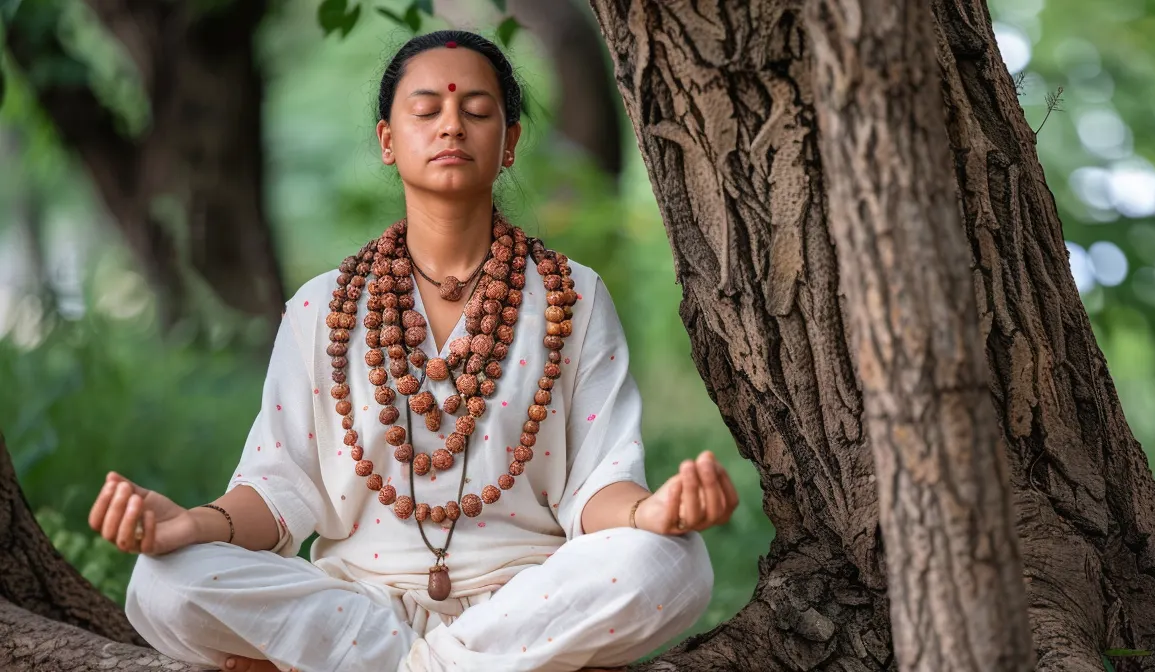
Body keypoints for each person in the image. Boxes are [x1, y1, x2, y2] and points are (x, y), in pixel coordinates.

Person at [85, 30, 737, 672]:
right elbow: (278, 486)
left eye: (477, 111)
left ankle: (407, 666)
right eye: (426, 110)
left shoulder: (571, 295)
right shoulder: (323, 306)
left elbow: (599, 484)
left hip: (523, 601)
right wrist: (191, 525)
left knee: (671, 561)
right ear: (387, 141)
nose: (451, 125)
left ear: (509, 143)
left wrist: (651, 512)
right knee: (162, 582)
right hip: (356, 607)